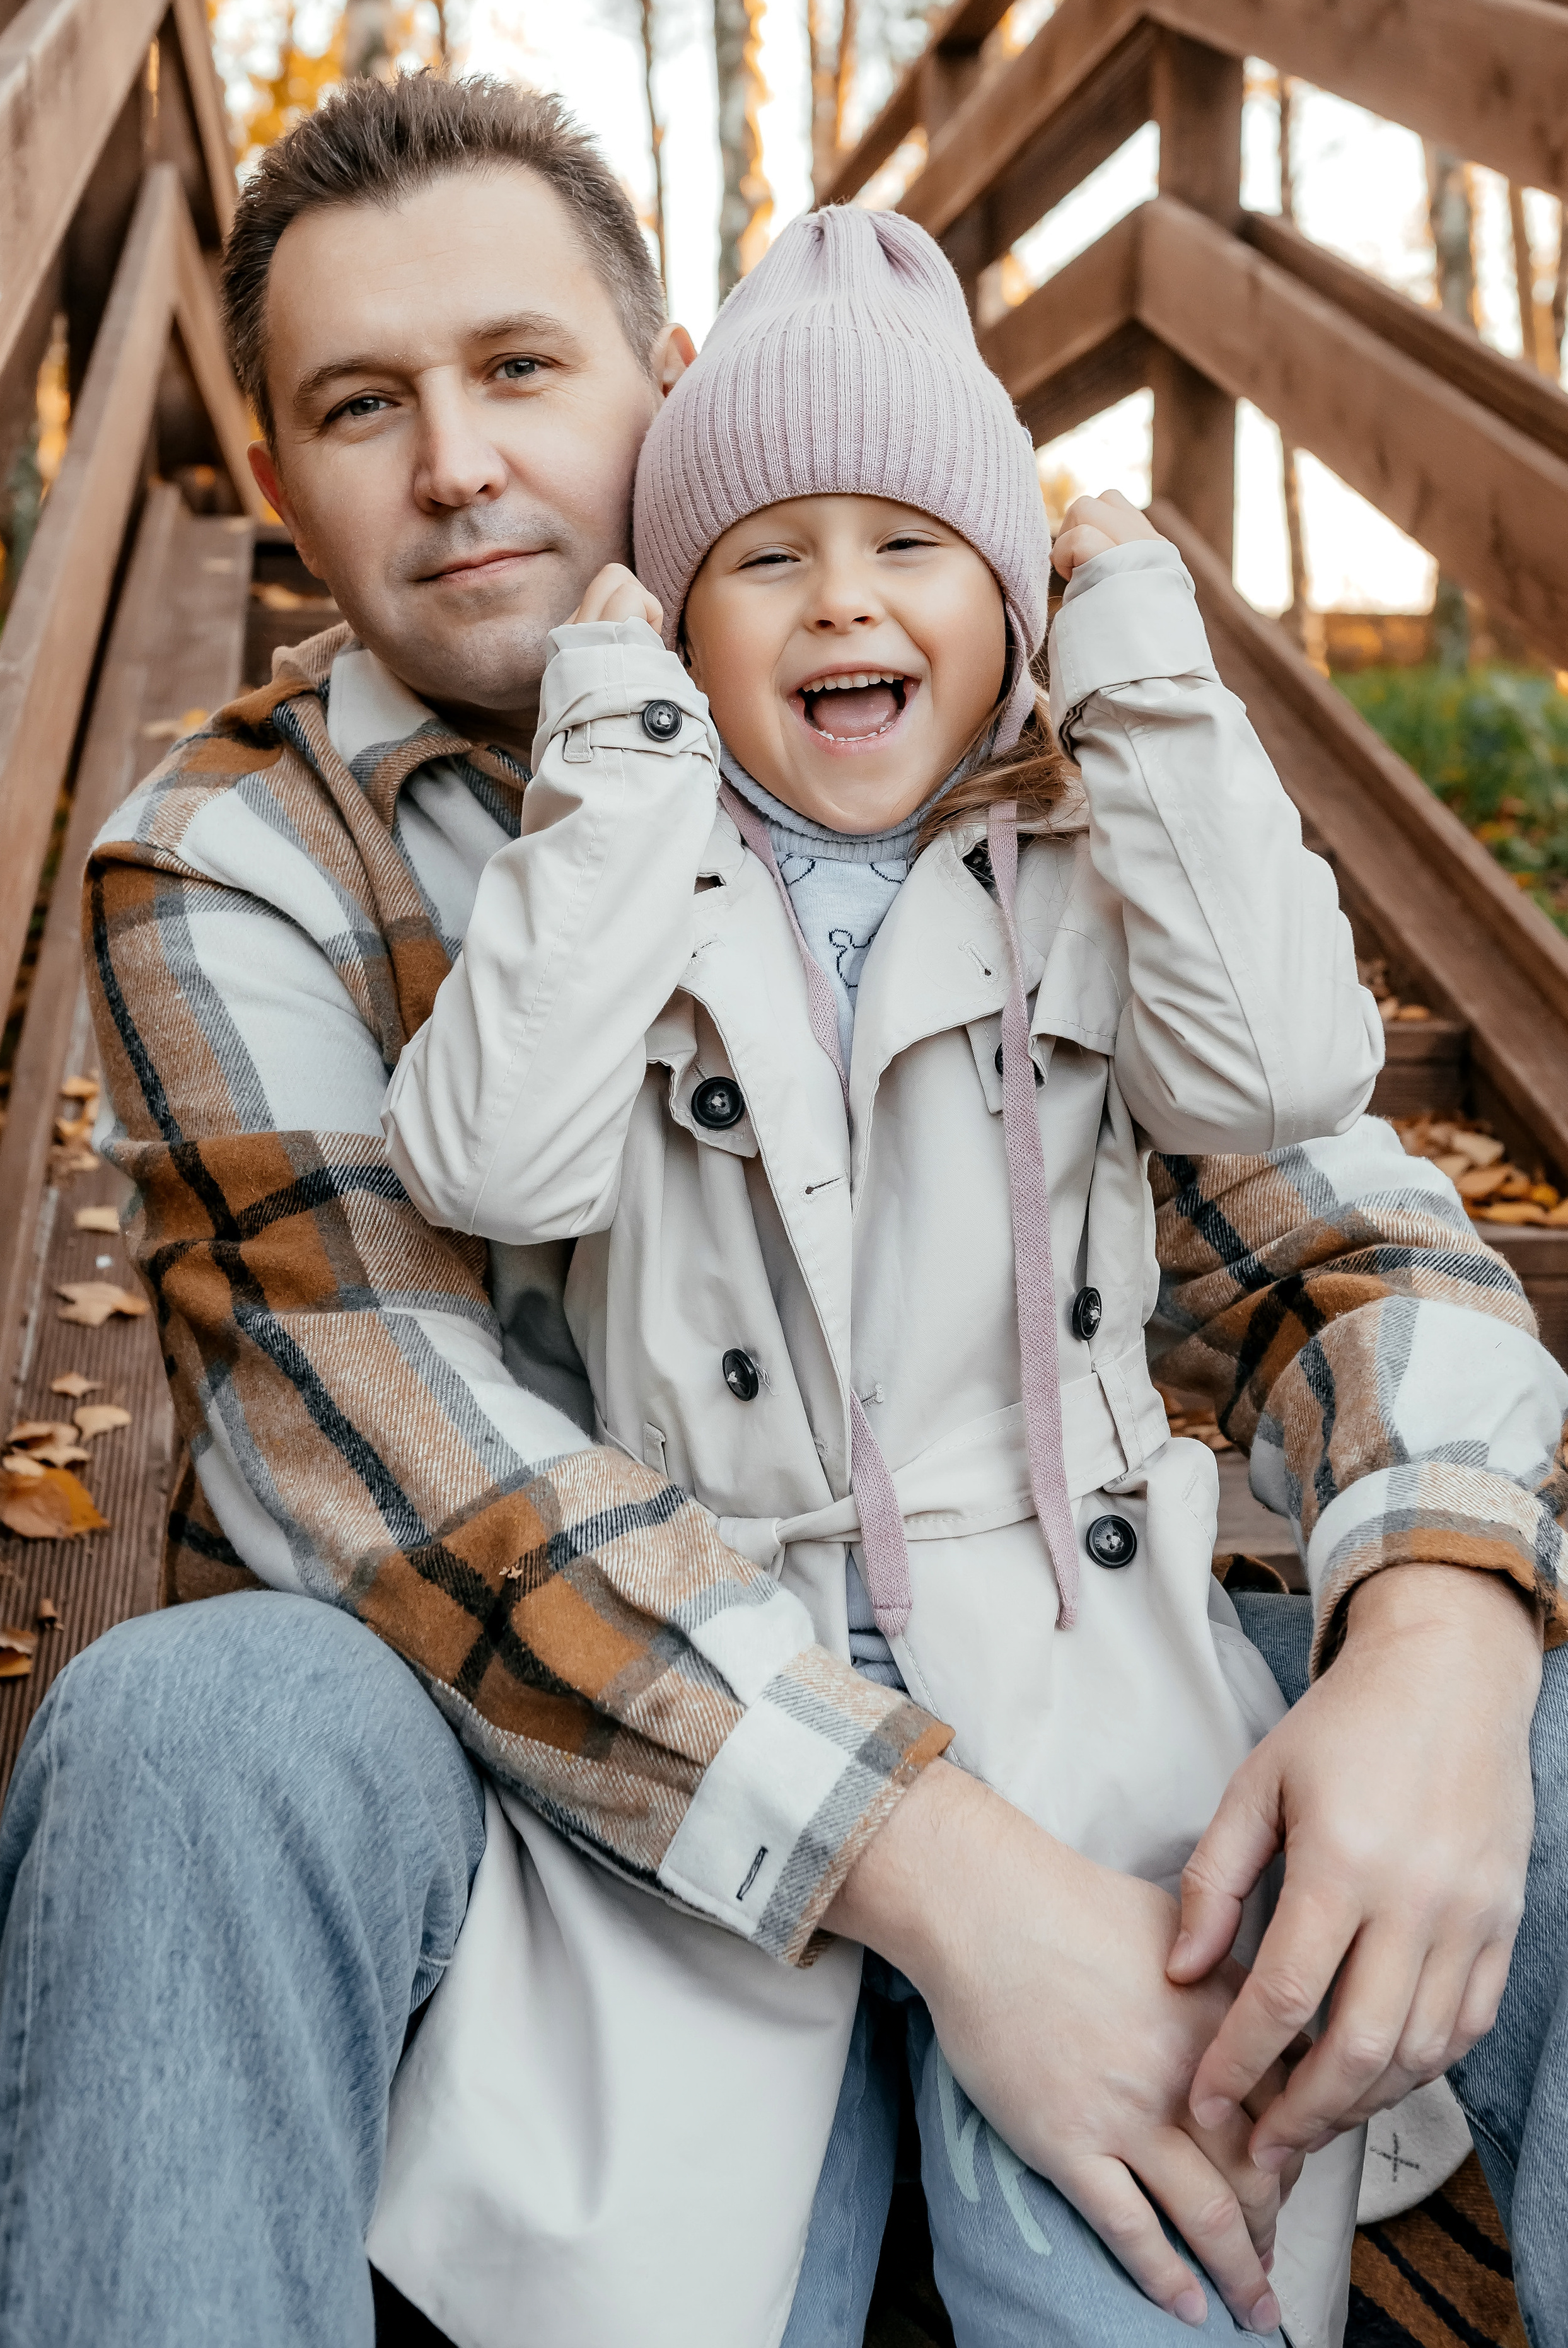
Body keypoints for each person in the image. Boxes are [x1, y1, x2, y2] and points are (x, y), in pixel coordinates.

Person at [0, 74, 1563, 2348]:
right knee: (178, 1730)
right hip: (546, 1797)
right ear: (281, 480)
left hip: (1074, 1676)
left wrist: (1444, 1625)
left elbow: (1339, 1217)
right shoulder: (234, 858)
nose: (455, 465)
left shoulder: (981, 800)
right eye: (357, 406)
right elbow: (405, 1464)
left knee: (1526, 1674)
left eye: (519, 368)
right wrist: (966, 1898)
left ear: (663, 387)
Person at [380, 198, 1387, 2342]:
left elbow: (1291, 1065)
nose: (842, 596)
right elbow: (483, 1149)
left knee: (1126, 2261)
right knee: (691, 2276)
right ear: (680, 618)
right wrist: (626, 745)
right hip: (718, 1692)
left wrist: (1133, 650)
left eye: (916, 543)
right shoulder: (629, 867)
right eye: (764, 557)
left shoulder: (1089, 871)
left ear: (1006, 609)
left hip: (1065, 1667)